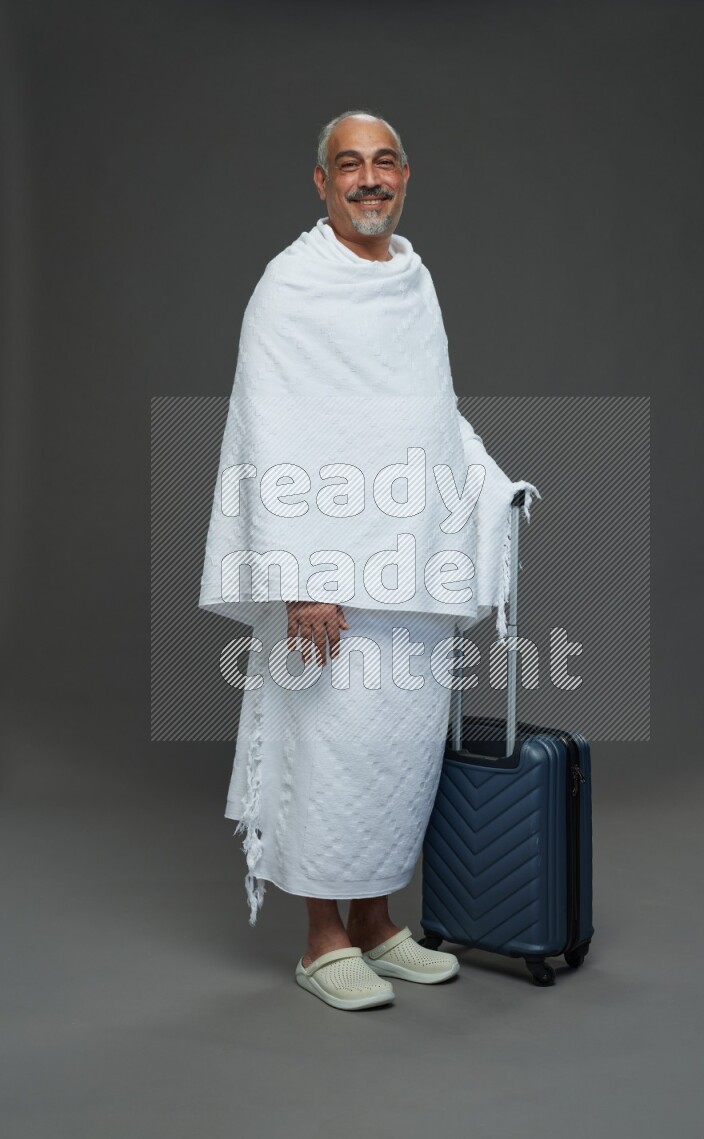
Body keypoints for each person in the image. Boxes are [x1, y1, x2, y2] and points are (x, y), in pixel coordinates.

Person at [198, 109, 540, 1010]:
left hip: (410, 566)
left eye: (383, 162)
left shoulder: (414, 282)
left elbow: (430, 416)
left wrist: (495, 486)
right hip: (325, 577)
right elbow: (269, 433)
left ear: (406, 175)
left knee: (396, 752)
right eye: (348, 165)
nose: (368, 179)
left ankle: (379, 923)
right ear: (321, 183)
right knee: (328, 749)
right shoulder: (291, 285)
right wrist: (302, 577)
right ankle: (321, 938)